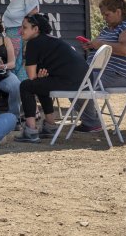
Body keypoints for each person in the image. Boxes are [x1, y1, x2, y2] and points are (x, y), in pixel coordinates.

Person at [74, 0, 126, 132]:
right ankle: (91, 121)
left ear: (118, 12)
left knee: (77, 83)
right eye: (103, 14)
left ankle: (92, 122)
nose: (104, 18)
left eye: (107, 14)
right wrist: (92, 46)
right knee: (72, 81)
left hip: (121, 74)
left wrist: (100, 44)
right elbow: (104, 46)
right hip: (105, 72)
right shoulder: (110, 28)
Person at [15, 13, 88, 143]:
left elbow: (31, 76)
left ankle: (30, 130)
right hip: (84, 82)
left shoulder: (34, 43)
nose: (21, 31)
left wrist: (37, 76)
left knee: (26, 86)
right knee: (40, 83)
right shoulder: (50, 39)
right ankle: (50, 126)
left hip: (71, 82)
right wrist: (39, 77)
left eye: (24, 27)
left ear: (35, 29)